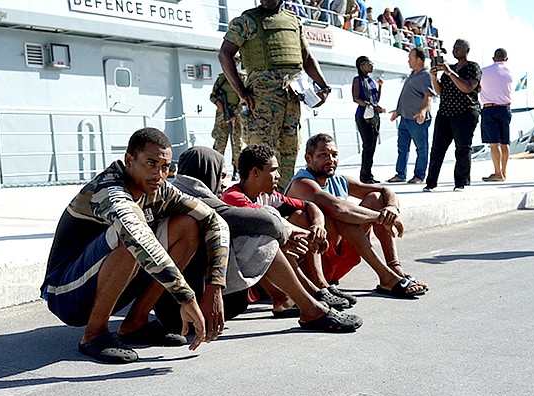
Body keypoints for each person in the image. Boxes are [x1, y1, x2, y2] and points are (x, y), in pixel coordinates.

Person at [41, 128, 229, 364]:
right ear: (130, 160)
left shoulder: (160, 189)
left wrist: (214, 287)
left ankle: (135, 323)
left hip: (104, 279)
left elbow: (215, 221)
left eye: (165, 166)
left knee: (188, 226)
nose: (159, 174)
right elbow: (137, 236)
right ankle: (94, 334)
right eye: (151, 163)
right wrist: (187, 298)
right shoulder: (110, 190)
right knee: (131, 236)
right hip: (66, 294)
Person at [171, 146, 361, 332]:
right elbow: (266, 222)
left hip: (191, 298)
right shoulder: (199, 200)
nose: (223, 183)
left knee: (279, 222)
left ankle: (313, 294)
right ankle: (308, 306)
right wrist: (288, 236)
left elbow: (305, 207)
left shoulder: (184, 193)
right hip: (182, 309)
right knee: (263, 239)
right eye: (221, 176)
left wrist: (313, 227)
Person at [286, 133, 428, 299]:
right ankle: (387, 278)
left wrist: (391, 209)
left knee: (375, 199)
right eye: (323, 155)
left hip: (337, 260)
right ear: (308, 158)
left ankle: (394, 268)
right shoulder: (302, 183)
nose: (330, 159)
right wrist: (381, 218)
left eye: (334, 155)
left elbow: (384, 190)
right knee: (339, 213)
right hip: (309, 265)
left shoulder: (339, 180)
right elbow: (338, 208)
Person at [223, 144, 357, 310]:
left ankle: (319, 285)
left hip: (265, 270)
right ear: (255, 172)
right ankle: (289, 298)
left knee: (301, 216)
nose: (278, 176)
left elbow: (309, 206)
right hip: (242, 281)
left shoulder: (266, 195)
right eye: (273, 170)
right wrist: (306, 235)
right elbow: (268, 220)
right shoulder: (233, 198)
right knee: (266, 238)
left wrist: (318, 226)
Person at [218, 0, 332, 191]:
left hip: (292, 96)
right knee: (260, 154)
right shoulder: (247, 21)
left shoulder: (293, 21)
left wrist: (324, 86)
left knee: (290, 150)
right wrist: (241, 91)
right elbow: (224, 54)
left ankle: (283, 198)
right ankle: (258, 201)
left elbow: (307, 57)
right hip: (262, 97)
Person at [424, 39, 481, 192]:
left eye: (458, 47)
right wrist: (434, 77)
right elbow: (440, 91)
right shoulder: (451, 67)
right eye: (454, 47)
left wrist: (450, 73)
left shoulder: (472, 67)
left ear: (467, 50)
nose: (455, 50)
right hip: (445, 112)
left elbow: (468, 87)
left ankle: (461, 183)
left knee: (462, 148)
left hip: (465, 112)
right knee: (437, 148)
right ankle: (431, 182)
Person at [387, 47, 434, 184]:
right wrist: (398, 111)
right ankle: (400, 174)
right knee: (402, 148)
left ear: (419, 60)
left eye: (410, 58)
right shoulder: (412, 75)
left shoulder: (426, 75)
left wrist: (423, 111)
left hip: (417, 119)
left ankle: (419, 176)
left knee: (421, 148)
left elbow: (428, 95)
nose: (408, 61)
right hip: (405, 118)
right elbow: (406, 96)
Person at [479, 48, 514, 182]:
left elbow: (478, 87)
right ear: (506, 58)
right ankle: (504, 172)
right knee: (505, 142)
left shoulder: (484, 71)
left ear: (494, 58)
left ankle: (497, 173)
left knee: (494, 143)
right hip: (505, 109)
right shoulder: (511, 71)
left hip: (489, 108)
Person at [210, 54, 246, 180]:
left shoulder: (242, 78)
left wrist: (235, 113)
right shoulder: (221, 79)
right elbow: (213, 95)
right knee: (219, 141)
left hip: (237, 115)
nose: (233, 63)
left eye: (235, 61)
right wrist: (220, 107)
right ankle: (216, 168)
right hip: (222, 114)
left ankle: (237, 169)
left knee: (237, 143)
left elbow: (245, 98)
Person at [352, 55, 385, 184]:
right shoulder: (357, 80)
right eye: (369, 64)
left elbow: (377, 99)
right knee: (367, 145)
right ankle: (364, 176)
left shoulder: (371, 80)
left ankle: (368, 174)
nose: (371, 66)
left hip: (374, 116)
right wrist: (369, 105)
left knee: (372, 146)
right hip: (363, 116)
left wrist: (380, 87)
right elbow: (356, 98)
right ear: (361, 66)